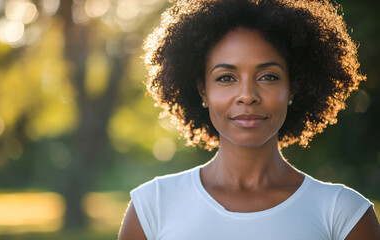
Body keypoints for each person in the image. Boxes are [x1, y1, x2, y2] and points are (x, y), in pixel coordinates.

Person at [118, 0, 380, 239]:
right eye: (226, 78)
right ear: (202, 91)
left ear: (293, 88)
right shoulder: (152, 206)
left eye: (268, 77)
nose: (247, 96)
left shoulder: (344, 215)